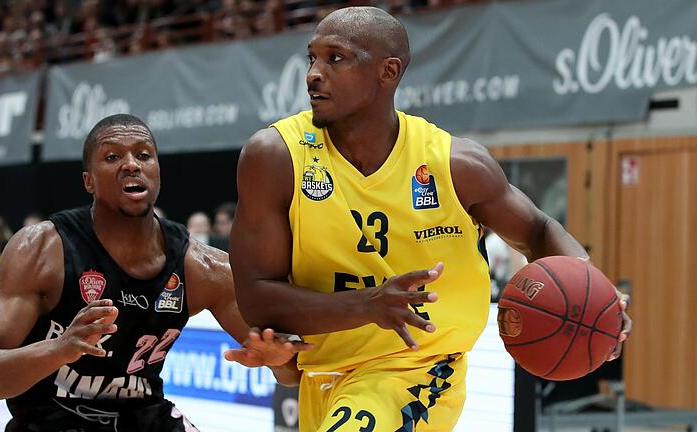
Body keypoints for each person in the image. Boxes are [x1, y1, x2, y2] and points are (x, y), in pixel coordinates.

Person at [230, 7, 632, 432]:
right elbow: (256, 298)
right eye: (312, 58)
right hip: (323, 378)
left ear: (388, 72)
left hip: (419, 368)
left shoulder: (454, 163)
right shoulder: (275, 156)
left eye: (336, 58)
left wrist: (596, 294)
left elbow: (537, 229)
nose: (314, 73)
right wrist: (368, 306)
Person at [0, 114, 308, 432]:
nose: (131, 165)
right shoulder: (43, 250)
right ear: (88, 181)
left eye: (143, 154)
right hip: (50, 418)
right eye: (112, 157)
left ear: (156, 171)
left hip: (143, 416)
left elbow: (291, 374)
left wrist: (278, 362)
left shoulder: (203, 267)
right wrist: (57, 350)